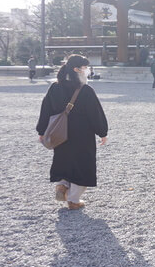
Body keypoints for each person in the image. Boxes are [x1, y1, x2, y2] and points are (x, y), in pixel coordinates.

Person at [36, 54, 108, 210]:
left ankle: (62, 184)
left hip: (60, 133)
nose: (87, 70)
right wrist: (102, 132)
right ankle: (74, 200)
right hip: (82, 134)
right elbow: (95, 113)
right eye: (85, 68)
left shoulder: (55, 87)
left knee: (64, 159)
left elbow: (45, 110)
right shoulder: (85, 90)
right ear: (76, 69)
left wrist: (41, 130)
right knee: (83, 164)